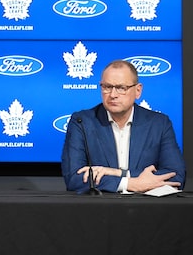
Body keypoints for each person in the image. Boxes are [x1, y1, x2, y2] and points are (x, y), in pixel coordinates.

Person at [61, 60, 185, 193]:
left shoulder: (159, 124)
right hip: (101, 205)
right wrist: (129, 183)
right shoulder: (82, 122)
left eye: (121, 88)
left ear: (138, 91)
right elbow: (74, 178)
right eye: (107, 87)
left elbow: (176, 176)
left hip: (146, 205)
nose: (113, 95)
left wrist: (119, 173)